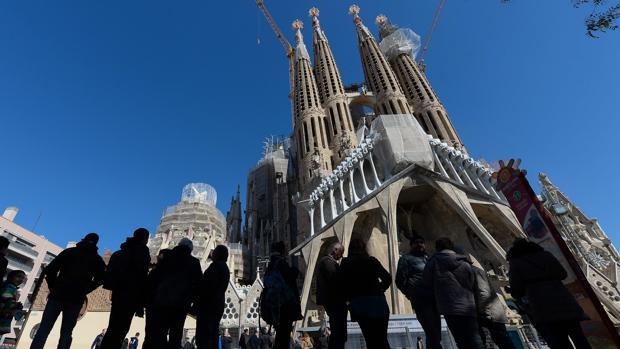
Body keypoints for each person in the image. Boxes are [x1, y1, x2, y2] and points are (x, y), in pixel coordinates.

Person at [507, 239, 591, 349]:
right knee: (579, 338)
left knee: (559, 342)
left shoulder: (516, 263)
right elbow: (562, 274)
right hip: (563, 300)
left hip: (542, 305)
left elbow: (516, 290)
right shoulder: (546, 256)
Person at [30, 233, 106, 349]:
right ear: (96, 243)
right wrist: (86, 289)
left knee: (43, 329)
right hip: (76, 299)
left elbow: (50, 270)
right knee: (66, 333)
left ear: (84, 239)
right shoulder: (97, 260)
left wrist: (53, 287)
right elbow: (100, 280)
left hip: (57, 295)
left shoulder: (69, 252)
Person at [422, 237, 484, 349]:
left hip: (449, 306)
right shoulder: (463, 262)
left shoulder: (433, 262)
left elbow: (426, 282)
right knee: (475, 339)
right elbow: (472, 281)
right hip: (468, 305)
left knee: (460, 340)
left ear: (437, 248)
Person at [147, 238, 202, 349]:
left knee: (159, 333)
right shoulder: (194, 263)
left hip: (161, 301)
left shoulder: (166, 257)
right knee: (176, 335)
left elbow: (154, 277)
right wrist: (195, 305)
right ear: (190, 250)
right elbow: (198, 286)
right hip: (181, 305)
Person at [101, 228, 151, 349]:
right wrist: (141, 303)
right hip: (132, 297)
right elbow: (142, 278)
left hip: (118, 295)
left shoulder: (119, 253)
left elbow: (109, 276)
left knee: (112, 328)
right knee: (121, 330)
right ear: (145, 238)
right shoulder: (142, 253)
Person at [339, 239, 391, 349]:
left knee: (370, 339)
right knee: (382, 339)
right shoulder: (372, 261)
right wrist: (380, 289)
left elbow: (341, 285)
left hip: (360, 304)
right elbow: (387, 278)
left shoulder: (346, 263)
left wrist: (349, 301)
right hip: (378, 303)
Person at [395, 235, 442, 349]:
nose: (420, 244)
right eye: (417, 242)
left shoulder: (428, 258)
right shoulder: (406, 259)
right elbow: (400, 280)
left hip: (434, 298)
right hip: (421, 299)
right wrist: (411, 293)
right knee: (430, 329)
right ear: (411, 245)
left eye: (422, 242)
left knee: (436, 330)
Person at [264, 241, 302, 349]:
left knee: (280, 335)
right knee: (284, 336)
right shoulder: (281, 263)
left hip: (275, 306)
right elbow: (289, 278)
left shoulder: (271, 265)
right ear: (282, 251)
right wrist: (294, 270)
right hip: (285, 305)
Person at [471, 262, 516, 349]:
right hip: (488, 312)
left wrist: (485, 311)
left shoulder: (474, 272)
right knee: (500, 339)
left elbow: (483, 293)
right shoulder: (475, 271)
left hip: (488, 312)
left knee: (501, 339)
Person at [196, 245, 230, 349]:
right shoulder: (224, 268)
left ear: (218, 254)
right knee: (212, 334)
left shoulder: (216, 267)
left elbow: (207, 286)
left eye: (214, 252)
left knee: (205, 336)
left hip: (209, 306)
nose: (212, 253)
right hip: (217, 305)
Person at [316, 242, 346, 349]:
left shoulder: (327, 262)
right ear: (335, 251)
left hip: (332, 300)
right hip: (334, 301)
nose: (341, 256)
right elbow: (336, 280)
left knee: (339, 332)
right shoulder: (328, 263)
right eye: (341, 252)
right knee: (339, 332)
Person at [0, 270, 25, 334]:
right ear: (11, 277)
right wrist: (16, 307)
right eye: (19, 276)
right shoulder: (9, 288)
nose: (21, 280)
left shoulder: (12, 288)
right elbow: (4, 304)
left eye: (23, 278)